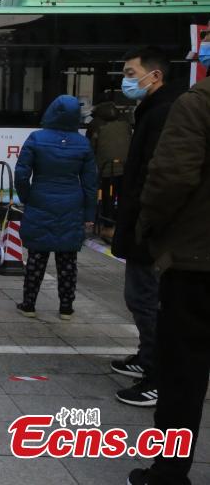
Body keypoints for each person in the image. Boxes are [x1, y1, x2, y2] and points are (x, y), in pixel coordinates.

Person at [127, 34, 210, 485]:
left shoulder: (196, 104)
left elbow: (169, 178)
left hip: (196, 260)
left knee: (183, 373)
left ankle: (169, 472)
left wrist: (150, 229)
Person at [110, 47, 184, 408]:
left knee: (146, 299)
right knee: (139, 297)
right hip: (142, 223)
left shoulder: (166, 113)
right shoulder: (152, 110)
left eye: (130, 73)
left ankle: (158, 375)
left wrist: (145, 223)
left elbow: (160, 176)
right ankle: (146, 357)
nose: (126, 81)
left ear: (154, 76)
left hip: (150, 228)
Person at [14, 95, 98, 320]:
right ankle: (66, 308)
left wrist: (27, 197)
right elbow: (90, 183)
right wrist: (89, 213)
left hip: (40, 200)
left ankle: (29, 305)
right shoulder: (83, 143)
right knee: (68, 259)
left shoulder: (36, 138)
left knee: (36, 256)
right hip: (71, 204)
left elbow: (21, 174)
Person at [87, 97, 131, 239]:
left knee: (107, 197)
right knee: (123, 196)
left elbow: (90, 148)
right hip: (126, 167)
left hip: (106, 169)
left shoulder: (95, 124)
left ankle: (107, 226)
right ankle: (122, 225)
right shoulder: (125, 122)